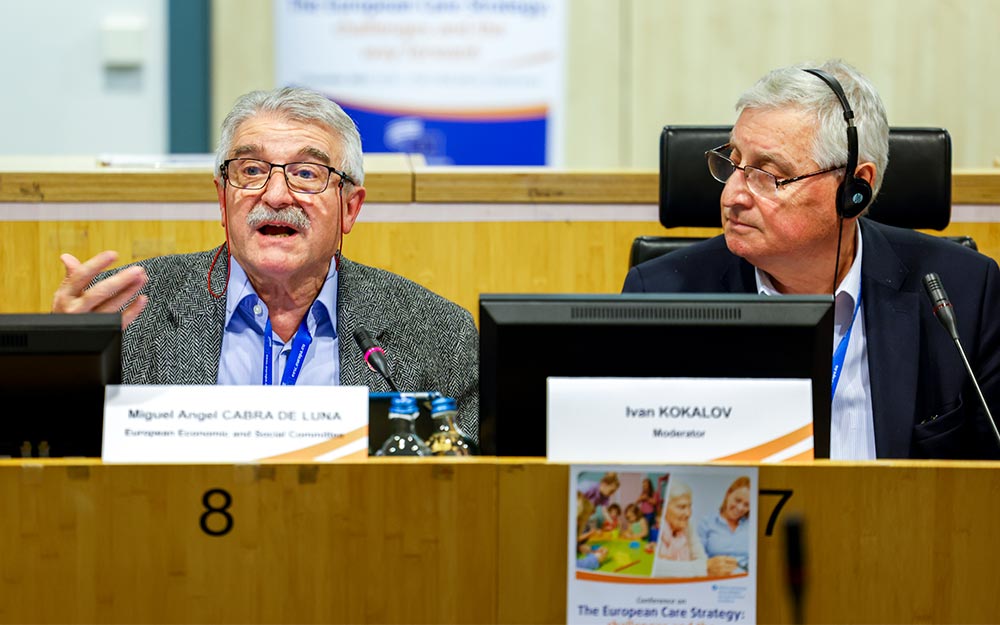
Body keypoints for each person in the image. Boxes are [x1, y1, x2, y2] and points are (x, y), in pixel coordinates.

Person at [622, 58, 1000, 460]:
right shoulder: (662, 296)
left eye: (768, 174)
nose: (732, 195)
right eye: (733, 164)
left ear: (855, 188)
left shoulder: (964, 295)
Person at [50, 86, 480, 438]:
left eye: (307, 173)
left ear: (350, 207)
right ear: (222, 199)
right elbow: (56, 466)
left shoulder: (438, 335)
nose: (275, 196)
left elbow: (471, 491)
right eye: (252, 171)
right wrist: (66, 367)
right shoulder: (126, 313)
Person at [652, 480, 738, 578]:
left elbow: (701, 557)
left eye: (689, 506)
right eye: (681, 507)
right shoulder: (658, 528)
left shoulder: (687, 525)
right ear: (665, 509)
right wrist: (704, 568)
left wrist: (711, 566)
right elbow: (657, 568)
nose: (688, 513)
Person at [697, 476, 751, 575]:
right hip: (715, 580)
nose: (740, 508)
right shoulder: (707, 523)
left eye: (746, 505)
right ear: (728, 494)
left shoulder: (751, 526)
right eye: (737, 500)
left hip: (745, 580)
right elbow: (698, 559)